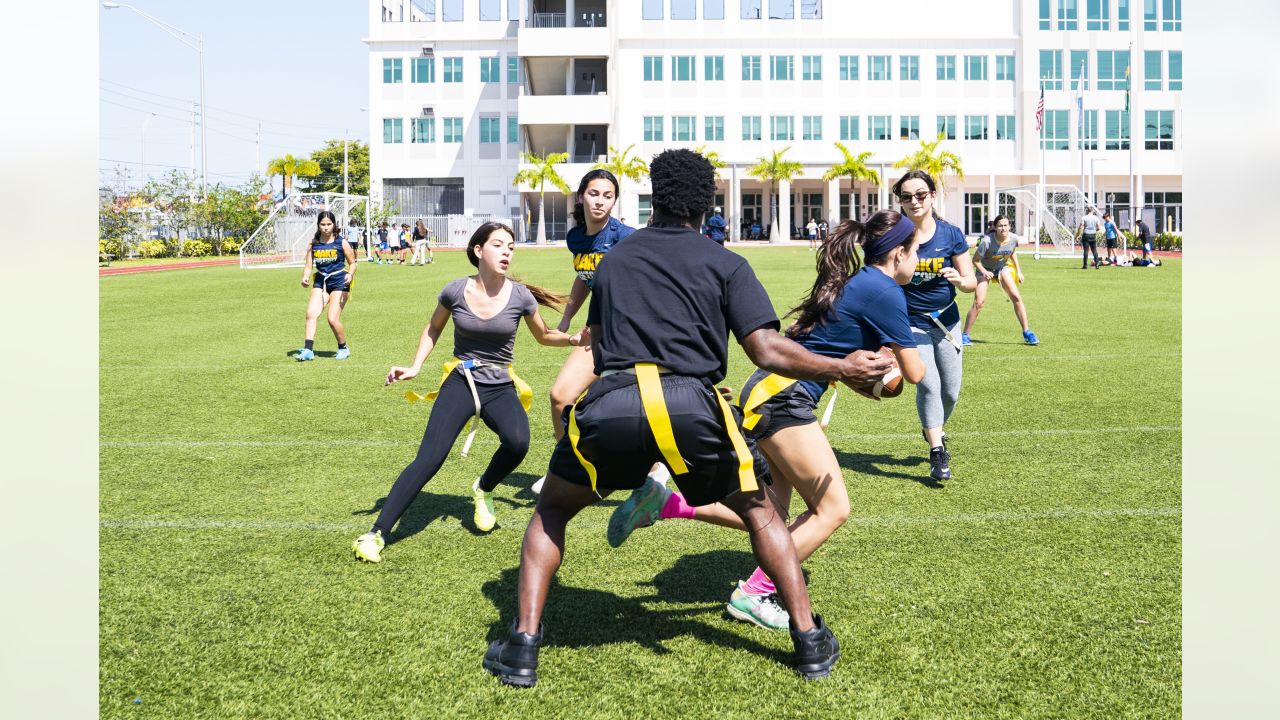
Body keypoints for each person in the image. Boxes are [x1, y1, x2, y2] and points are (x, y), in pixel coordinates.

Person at [481, 149, 894, 688]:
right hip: (693, 406)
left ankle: (522, 648)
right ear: (706, 205)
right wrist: (840, 366)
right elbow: (766, 349)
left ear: (654, 198)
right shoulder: (725, 263)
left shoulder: (614, 262)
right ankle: (810, 640)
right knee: (761, 513)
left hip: (615, 404)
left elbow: (601, 350)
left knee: (553, 509)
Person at [607, 211, 926, 631]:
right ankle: (754, 594)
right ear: (899, 252)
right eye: (917, 251)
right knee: (833, 509)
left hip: (769, 391)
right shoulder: (884, 290)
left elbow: (830, 352)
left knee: (768, 516)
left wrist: (861, 373)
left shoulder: (857, 281)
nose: (919, 260)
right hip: (784, 399)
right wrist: (887, 367)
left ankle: (667, 503)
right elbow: (915, 373)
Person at [351, 222, 575, 563]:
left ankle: (482, 488)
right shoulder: (455, 291)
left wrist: (575, 339)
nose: (506, 252)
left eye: (510, 247)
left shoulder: (520, 295)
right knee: (430, 458)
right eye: (499, 245)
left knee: (518, 443)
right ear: (478, 250)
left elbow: (545, 336)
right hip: (461, 381)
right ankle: (377, 532)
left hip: (499, 385)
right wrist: (414, 367)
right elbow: (434, 327)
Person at [529, 169, 640, 495]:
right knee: (560, 397)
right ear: (581, 196)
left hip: (634, 334)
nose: (600, 202)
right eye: (594, 194)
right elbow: (585, 276)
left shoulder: (626, 237)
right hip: (599, 331)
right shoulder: (576, 237)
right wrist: (566, 319)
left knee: (644, 407)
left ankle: (653, 480)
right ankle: (568, 471)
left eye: (608, 196)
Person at [894, 170, 977, 482]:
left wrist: (961, 280)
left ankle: (933, 426)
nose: (914, 201)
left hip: (947, 321)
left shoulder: (951, 234)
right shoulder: (893, 235)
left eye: (920, 194)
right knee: (928, 385)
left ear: (932, 196)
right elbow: (884, 280)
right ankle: (937, 449)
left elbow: (970, 281)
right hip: (910, 323)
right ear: (899, 201)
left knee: (951, 392)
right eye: (906, 196)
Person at [961, 215, 1039, 346]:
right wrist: (985, 272)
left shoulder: (1014, 238)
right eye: (1000, 226)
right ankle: (965, 335)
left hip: (1002, 268)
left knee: (1016, 297)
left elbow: (1012, 252)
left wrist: (1019, 271)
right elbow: (975, 260)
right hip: (984, 269)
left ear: (1010, 226)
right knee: (979, 302)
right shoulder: (987, 241)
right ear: (995, 227)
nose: (1003, 228)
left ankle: (1027, 332)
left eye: (1005, 225)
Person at [296, 211, 356, 362]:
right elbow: (308, 266)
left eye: (329, 224)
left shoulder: (341, 242)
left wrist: (350, 274)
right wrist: (305, 276)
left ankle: (343, 347)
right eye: (323, 224)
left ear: (334, 224)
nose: (326, 227)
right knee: (311, 314)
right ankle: (308, 350)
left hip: (339, 281)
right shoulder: (314, 244)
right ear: (318, 225)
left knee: (332, 319)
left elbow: (353, 263)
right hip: (321, 281)